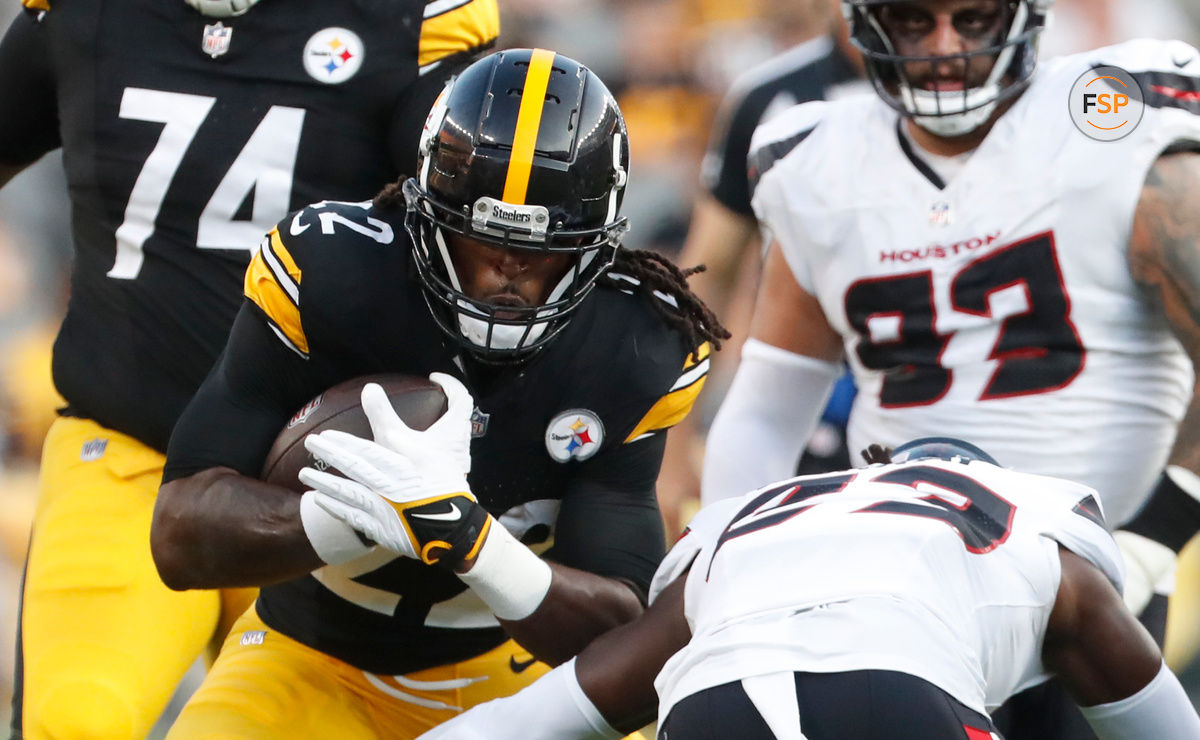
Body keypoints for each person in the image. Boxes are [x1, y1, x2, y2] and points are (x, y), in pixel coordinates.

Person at [149, 48, 728, 738]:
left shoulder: (638, 342)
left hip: (507, 683)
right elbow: (178, 536)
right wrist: (349, 515)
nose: (505, 278)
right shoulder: (335, 274)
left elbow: (623, 643)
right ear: (425, 215)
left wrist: (467, 539)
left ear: (595, 249)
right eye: (481, 245)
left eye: (540, 254)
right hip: (308, 657)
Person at [698, 0, 1200, 736]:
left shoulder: (1113, 114)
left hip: (1101, 573)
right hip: (894, 583)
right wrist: (727, 557)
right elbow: (771, 403)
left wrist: (1155, 534)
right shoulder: (815, 160)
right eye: (912, 20)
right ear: (865, 22)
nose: (943, 48)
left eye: (973, 19)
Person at [0, 0, 500, 735]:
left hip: (315, 480)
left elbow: (486, 226)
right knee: (78, 715)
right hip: (127, 447)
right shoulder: (88, 15)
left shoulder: (402, 22)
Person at [414, 438, 1200, 740]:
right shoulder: (1038, 528)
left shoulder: (744, 529)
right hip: (898, 695)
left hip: (711, 711)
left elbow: (547, 715)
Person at [657, 2, 866, 534]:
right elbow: (706, 278)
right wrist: (671, 453)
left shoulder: (985, 96)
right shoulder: (769, 98)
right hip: (797, 393)